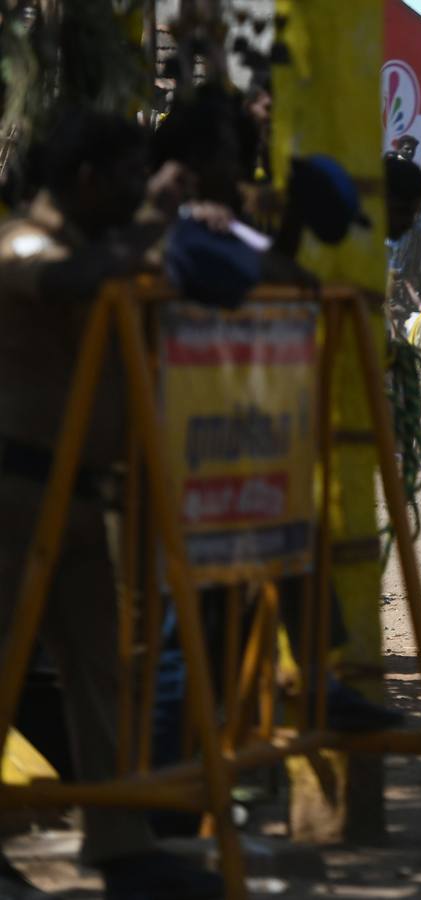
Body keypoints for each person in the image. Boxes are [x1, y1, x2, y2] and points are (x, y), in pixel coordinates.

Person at [0, 111, 226, 899]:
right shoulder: (23, 246)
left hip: (88, 501)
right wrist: (158, 219)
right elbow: (76, 280)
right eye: (129, 176)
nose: (141, 190)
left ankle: (120, 838)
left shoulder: (110, 246)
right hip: (17, 498)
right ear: (89, 180)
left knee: (104, 677)